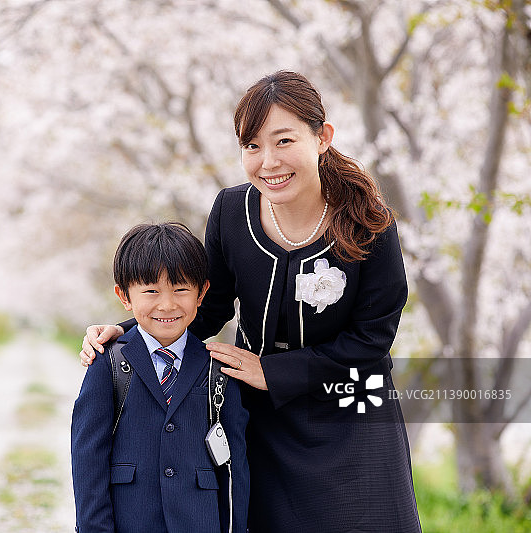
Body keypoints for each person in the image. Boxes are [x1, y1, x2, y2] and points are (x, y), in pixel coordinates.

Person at [81, 71, 422, 532]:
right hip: (262, 413)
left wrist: (273, 372)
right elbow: (209, 306)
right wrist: (126, 332)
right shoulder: (230, 211)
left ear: (322, 138)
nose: (269, 162)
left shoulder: (368, 222)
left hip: (351, 410)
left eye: (284, 141)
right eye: (252, 146)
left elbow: (372, 339)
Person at [71, 222, 250, 533]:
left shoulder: (218, 369)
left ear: (202, 292)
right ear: (124, 296)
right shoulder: (109, 362)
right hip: (131, 521)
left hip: (200, 522)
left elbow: (235, 466)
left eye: (181, 289)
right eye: (151, 291)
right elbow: (88, 459)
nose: (167, 304)